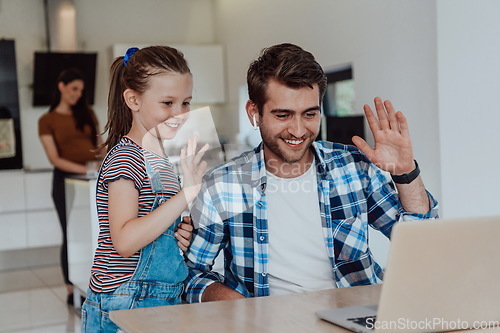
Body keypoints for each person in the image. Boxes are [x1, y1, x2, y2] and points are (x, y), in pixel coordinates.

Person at [184, 43, 438, 302]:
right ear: (254, 112)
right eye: (283, 115)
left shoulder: (354, 166)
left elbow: (421, 245)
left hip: (358, 314)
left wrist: (405, 173)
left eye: (309, 114)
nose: (298, 130)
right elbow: (193, 274)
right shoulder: (223, 185)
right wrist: (241, 308)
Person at [81, 46, 208, 333]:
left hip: (159, 300)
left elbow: (153, 226)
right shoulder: (126, 158)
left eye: (186, 102)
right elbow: (125, 241)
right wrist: (187, 193)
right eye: (167, 102)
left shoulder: (159, 157)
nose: (180, 113)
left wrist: (176, 235)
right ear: (133, 99)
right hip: (127, 302)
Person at [38, 68, 102, 305]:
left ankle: (95, 282)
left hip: (92, 181)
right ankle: (71, 286)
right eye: (74, 88)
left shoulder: (87, 114)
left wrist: (103, 167)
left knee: (94, 233)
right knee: (71, 234)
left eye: (81, 90)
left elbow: (99, 147)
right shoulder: (47, 120)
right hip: (65, 181)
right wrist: (87, 169)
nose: (78, 94)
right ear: (61, 86)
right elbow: (54, 158)